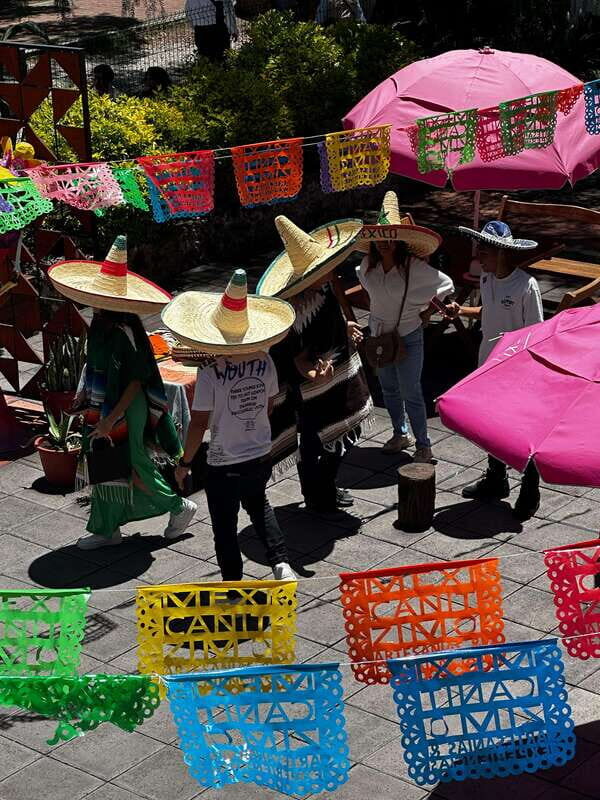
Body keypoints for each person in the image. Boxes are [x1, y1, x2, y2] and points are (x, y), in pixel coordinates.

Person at [47, 236, 197, 550]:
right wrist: (89, 408)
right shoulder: (100, 323)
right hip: (102, 408)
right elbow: (97, 370)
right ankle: (107, 529)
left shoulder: (125, 331)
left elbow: (136, 382)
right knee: (104, 464)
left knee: (135, 460)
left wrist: (110, 419)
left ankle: (177, 506)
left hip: (128, 407)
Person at [168, 269, 297, 582]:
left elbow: (198, 423)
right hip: (259, 452)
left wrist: (185, 462)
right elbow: (267, 405)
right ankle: (281, 564)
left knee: (224, 526)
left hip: (224, 461)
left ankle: (233, 584)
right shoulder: (265, 361)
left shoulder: (210, 373)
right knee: (259, 504)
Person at [258, 214, 372, 514]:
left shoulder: (322, 289)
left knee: (341, 430)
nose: (332, 270)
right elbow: (295, 355)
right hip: (308, 386)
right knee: (313, 439)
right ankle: (317, 494)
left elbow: (329, 320)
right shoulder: (294, 311)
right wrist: (314, 374)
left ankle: (325, 487)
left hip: (334, 374)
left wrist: (345, 327)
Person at [449, 220, 544, 520]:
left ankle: (530, 488)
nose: (479, 257)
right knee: (490, 425)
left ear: (502, 253)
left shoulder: (526, 286)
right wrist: (461, 310)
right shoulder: (487, 280)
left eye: (485, 251)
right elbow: (488, 312)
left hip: (516, 370)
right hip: (488, 362)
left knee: (519, 430)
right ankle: (496, 478)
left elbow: (536, 334)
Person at [357, 192, 454, 463]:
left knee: (411, 391)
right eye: (380, 238)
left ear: (398, 241)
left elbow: (446, 285)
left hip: (408, 337)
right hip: (378, 337)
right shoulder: (368, 266)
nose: (384, 244)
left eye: (390, 238)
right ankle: (400, 433)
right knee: (388, 388)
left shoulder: (414, 268)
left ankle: (423, 444)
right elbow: (367, 287)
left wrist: (422, 311)